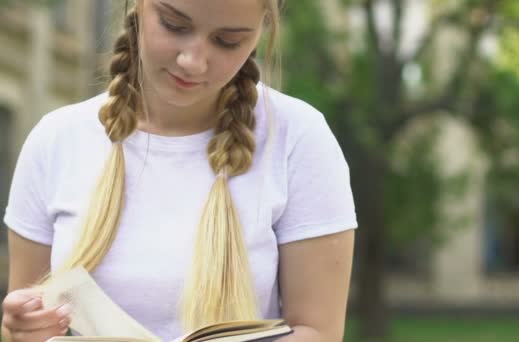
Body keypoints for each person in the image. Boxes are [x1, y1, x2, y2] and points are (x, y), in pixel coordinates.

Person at [1, 0, 357, 341]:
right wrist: (21, 327)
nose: (193, 62)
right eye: (174, 25)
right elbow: (25, 322)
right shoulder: (56, 141)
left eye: (228, 41)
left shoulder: (298, 139)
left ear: (260, 32)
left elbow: (318, 330)